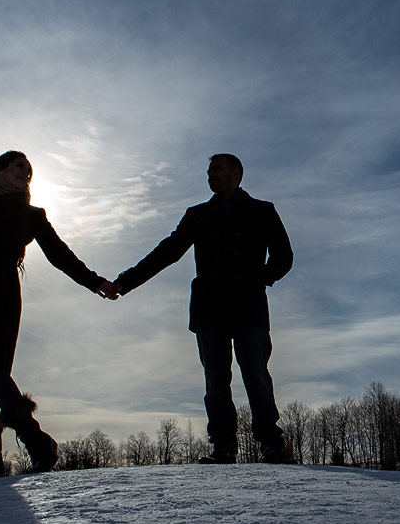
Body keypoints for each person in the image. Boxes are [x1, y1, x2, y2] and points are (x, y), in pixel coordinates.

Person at [0, 151, 117, 479]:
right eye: (19, 166)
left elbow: (60, 254)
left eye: (28, 170)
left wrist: (94, 281)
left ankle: (37, 441)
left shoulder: (32, 215)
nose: (25, 172)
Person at [110, 154, 294, 463]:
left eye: (217, 170)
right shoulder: (197, 215)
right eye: (209, 171)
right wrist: (123, 282)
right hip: (210, 310)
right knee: (216, 380)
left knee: (256, 373)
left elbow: (283, 257)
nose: (211, 175)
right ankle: (223, 446)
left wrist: (259, 278)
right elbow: (167, 252)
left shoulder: (263, 211)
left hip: (249, 307)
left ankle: (271, 444)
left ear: (237, 174)